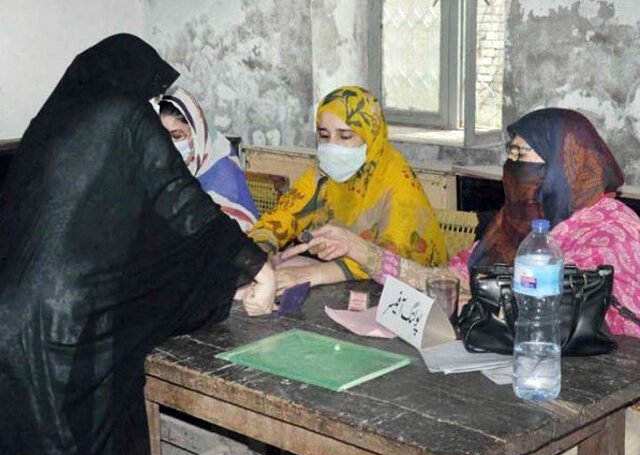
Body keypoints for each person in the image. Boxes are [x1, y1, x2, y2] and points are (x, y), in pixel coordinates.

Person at [0, 34, 275, 455]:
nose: (151, 107)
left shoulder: (50, 123)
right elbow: (183, 205)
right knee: (78, 447)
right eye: (151, 95)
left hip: (10, 319)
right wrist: (255, 266)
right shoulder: (124, 115)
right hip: (67, 328)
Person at [286, 108, 640, 337]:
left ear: (565, 167)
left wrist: (487, 296)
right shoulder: (516, 223)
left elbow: (572, 317)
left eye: (523, 156)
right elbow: (448, 280)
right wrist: (362, 251)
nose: (513, 168)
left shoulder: (610, 230)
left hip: (604, 399)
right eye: (510, 155)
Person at [249, 85, 446, 293]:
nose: (332, 147)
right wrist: (259, 257)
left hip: (412, 295)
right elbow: (282, 218)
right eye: (324, 136)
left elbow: (391, 262)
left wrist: (310, 274)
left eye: (345, 137)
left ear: (371, 136)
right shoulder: (321, 174)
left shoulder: (399, 184)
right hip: (346, 287)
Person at [159, 87, 259, 232]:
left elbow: (238, 232)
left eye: (177, 136)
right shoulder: (172, 168)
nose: (170, 144)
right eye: (164, 137)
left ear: (196, 133)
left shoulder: (223, 174)